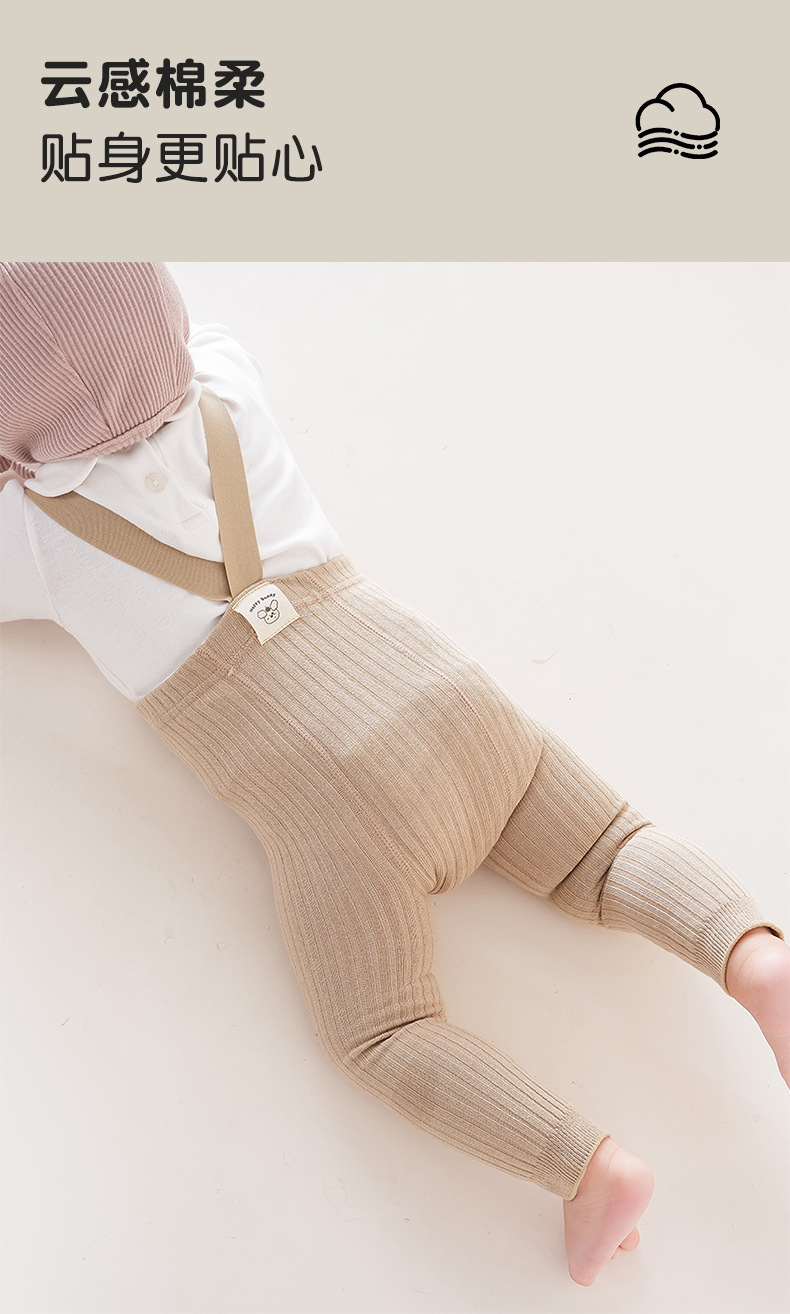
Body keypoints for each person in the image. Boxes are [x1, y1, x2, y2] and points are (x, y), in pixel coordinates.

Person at [1, 261, 787, 1288]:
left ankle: (588, 1169)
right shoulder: (228, 382)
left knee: (382, 1029)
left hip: (332, 815)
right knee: (607, 848)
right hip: (442, 693)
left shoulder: (36, 540)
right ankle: (752, 959)